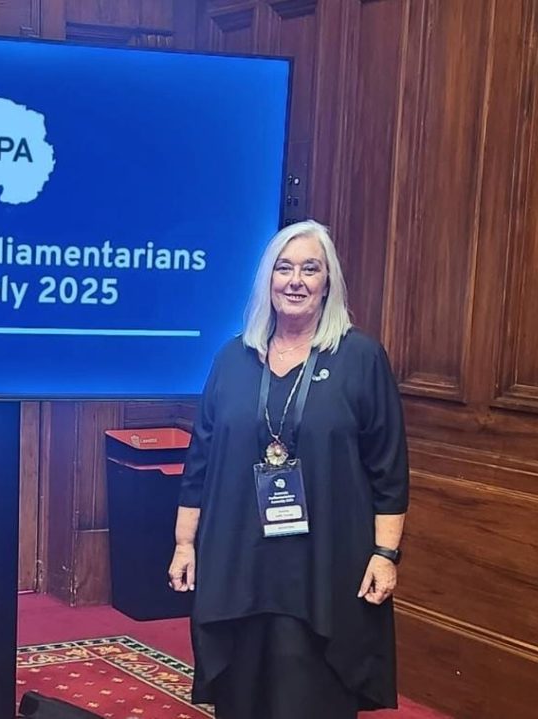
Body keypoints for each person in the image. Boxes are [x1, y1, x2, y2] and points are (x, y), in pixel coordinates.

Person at [168, 220, 409, 718]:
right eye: (284, 268)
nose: (295, 280)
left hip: (324, 570)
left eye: (310, 269)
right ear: (267, 280)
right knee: (242, 695)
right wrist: (184, 544)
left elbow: (388, 465)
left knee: (311, 696)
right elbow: (201, 459)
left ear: (328, 283)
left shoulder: (360, 358)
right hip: (239, 565)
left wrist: (386, 554)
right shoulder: (232, 358)